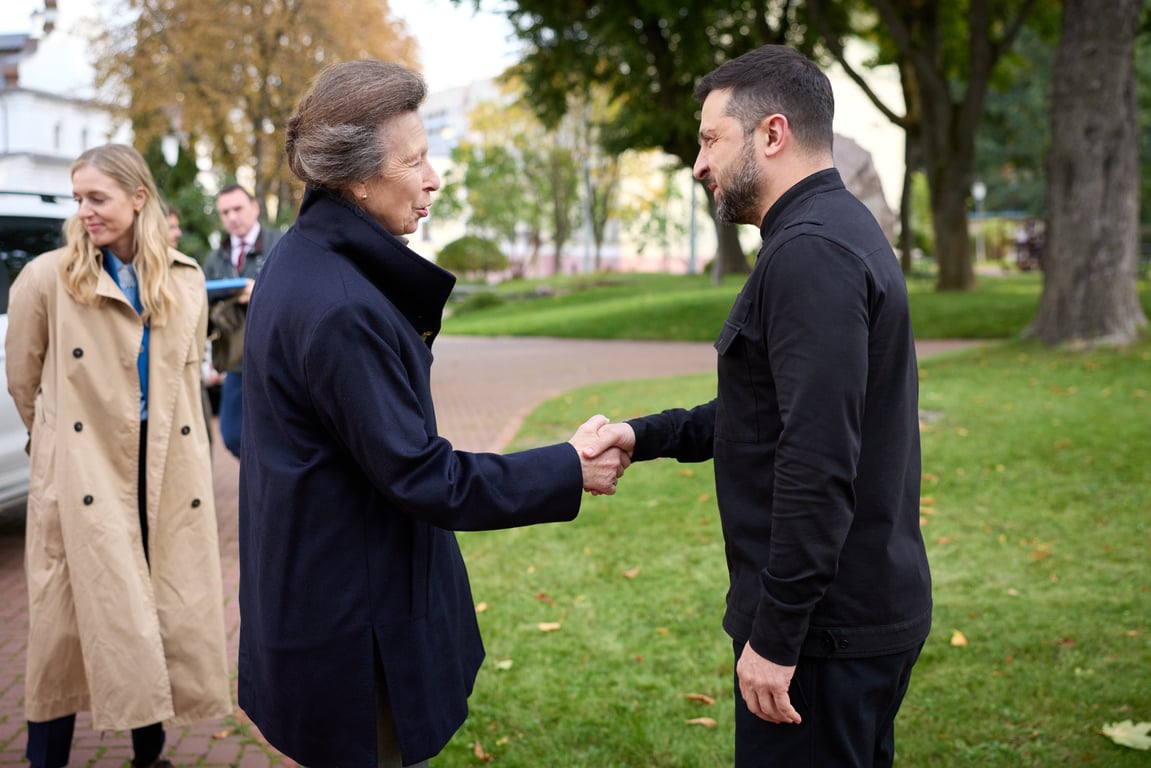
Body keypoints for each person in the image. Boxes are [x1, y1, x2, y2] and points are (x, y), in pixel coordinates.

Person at [237, 59, 628, 768]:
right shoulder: (339, 306)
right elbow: (422, 475)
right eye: (414, 161)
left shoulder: (304, 262)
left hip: (327, 602)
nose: (434, 179)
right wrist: (567, 467)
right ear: (357, 180)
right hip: (355, 631)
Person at [586, 45, 932, 767]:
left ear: (771, 134)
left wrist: (776, 637)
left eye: (710, 139)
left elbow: (816, 459)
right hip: (849, 619)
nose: (698, 165)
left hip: (824, 636)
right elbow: (768, 412)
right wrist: (642, 436)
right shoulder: (836, 229)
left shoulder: (810, 253)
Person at [5, 144, 231, 768]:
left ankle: (149, 753)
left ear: (138, 198)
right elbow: (23, 379)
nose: (84, 211)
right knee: (63, 624)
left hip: (161, 467)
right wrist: (56, 447)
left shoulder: (183, 278)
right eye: (78, 198)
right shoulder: (47, 278)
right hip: (83, 470)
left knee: (153, 604)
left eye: (97, 198)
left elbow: (190, 377)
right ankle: (46, 758)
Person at [201, 183, 282, 457]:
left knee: (279, 433)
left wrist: (259, 292)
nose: (232, 217)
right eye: (225, 212)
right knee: (233, 434)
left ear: (255, 208)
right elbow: (204, 310)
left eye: (238, 208)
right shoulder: (216, 258)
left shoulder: (281, 244)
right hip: (236, 361)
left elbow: (301, 294)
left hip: (277, 357)